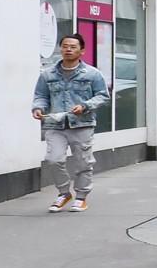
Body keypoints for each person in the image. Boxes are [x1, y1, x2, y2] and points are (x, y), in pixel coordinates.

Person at [32, 33, 110, 212]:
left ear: (82, 51)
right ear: (60, 49)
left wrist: (85, 106)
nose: (68, 49)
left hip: (81, 124)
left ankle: (81, 196)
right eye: (65, 46)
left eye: (73, 47)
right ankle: (64, 193)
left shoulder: (92, 74)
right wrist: (38, 108)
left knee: (83, 162)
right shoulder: (48, 74)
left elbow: (103, 96)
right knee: (53, 159)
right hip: (55, 124)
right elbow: (41, 95)